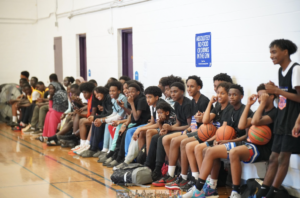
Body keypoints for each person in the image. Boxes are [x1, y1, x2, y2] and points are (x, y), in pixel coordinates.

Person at [185, 84, 253, 198]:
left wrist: (226, 140)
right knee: (207, 150)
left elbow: (247, 135)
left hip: (240, 142)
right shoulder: (228, 110)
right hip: (228, 141)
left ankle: (203, 187)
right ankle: (210, 185)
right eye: (230, 95)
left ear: (241, 96)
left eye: (234, 95)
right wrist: (219, 140)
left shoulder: (245, 110)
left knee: (210, 151)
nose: (231, 97)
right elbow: (223, 131)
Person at [255, 39, 300, 198]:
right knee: (273, 156)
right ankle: (263, 191)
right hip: (282, 118)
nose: (271, 56)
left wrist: (278, 91)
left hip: (293, 120)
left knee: (283, 157)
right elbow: (284, 98)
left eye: (274, 52)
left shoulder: (296, 69)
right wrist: (276, 91)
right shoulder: (281, 71)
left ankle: (272, 193)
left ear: (285, 52)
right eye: (270, 53)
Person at [228, 84, 277, 198]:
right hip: (251, 145)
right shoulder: (258, 112)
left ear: (272, 96)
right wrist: (249, 105)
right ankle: (201, 186)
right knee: (210, 151)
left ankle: (236, 192)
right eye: (259, 96)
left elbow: (255, 122)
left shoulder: (275, 112)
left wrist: (263, 104)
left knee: (234, 152)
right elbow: (241, 125)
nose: (260, 99)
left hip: (263, 149)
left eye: (263, 96)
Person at [162, 76, 210, 190]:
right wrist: (187, 130)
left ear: (199, 87)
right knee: (172, 140)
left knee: (181, 142)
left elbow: (205, 123)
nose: (189, 89)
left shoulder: (204, 101)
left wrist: (187, 130)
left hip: (204, 132)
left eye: (192, 86)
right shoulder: (193, 100)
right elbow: (193, 122)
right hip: (196, 131)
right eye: (188, 86)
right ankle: (174, 174)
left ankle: (187, 177)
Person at [150, 82, 192, 185]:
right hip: (180, 129)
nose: (172, 94)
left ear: (182, 92)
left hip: (187, 130)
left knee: (164, 139)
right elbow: (178, 123)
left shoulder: (187, 104)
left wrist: (171, 129)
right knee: (161, 136)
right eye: (171, 92)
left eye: (175, 91)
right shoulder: (177, 103)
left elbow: (189, 126)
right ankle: (169, 170)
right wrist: (169, 128)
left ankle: (173, 171)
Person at [104, 82, 150, 167]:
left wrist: (131, 103)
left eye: (132, 91)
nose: (130, 93)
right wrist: (125, 124)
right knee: (122, 131)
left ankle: (127, 159)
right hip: (135, 123)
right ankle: (117, 156)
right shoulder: (133, 99)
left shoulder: (141, 100)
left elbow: (136, 117)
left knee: (127, 132)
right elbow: (131, 114)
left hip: (143, 123)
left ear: (138, 92)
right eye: (129, 91)